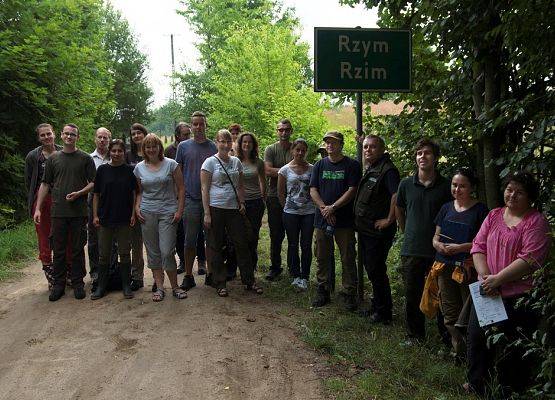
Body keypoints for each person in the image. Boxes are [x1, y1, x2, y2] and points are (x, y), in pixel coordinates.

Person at [465, 171, 550, 396]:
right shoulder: (493, 215)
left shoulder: (536, 222)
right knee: (477, 339)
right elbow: (478, 246)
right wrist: (485, 277)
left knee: (513, 349)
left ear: (530, 197)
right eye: (509, 189)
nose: (512, 195)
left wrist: (498, 279)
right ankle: (476, 385)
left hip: (518, 296)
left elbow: (530, 259)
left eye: (519, 192)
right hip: (487, 291)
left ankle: (508, 391)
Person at [395, 138, 452, 341]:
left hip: (440, 249)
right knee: (412, 294)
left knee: (442, 295)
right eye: (419, 153)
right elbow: (399, 208)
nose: (422, 157)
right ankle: (415, 336)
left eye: (427, 153)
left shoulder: (446, 187)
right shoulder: (406, 185)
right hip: (412, 248)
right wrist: (406, 231)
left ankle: (446, 336)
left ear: (435, 158)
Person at [33, 123, 96, 301]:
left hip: (78, 212)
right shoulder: (53, 159)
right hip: (58, 211)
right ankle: (58, 285)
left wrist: (80, 193)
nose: (69, 137)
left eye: (73, 134)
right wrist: (38, 208)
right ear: (61, 135)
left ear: (78, 137)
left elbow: (93, 183)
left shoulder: (85, 158)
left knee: (76, 249)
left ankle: (77, 283)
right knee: (58, 249)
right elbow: (45, 184)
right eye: (67, 134)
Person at [431, 168, 488, 357]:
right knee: (449, 310)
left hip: (468, 268)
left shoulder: (481, 210)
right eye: (454, 185)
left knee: (468, 312)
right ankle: (458, 351)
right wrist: (438, 245)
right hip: (444, 266)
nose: (457, 189)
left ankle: (473, 354)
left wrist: (461, 247)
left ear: (471, 188)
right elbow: (435, 237)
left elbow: (485, 242)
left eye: (462, 186)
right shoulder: (446, 208)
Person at [200, 129, 262, 297]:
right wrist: (207, 213)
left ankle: (249, 280)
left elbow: (240, 185)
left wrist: (241, 202)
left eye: (228, 141)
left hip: (234, 209)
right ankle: (220, 283)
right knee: (216, 245)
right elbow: (204, 189)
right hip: (215, 208)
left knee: (242, 244)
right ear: (216, 142)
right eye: (222, 141)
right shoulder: (209, 163)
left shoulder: (236, 162)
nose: (226, 144)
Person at [310, 131, 362, 310]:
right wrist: (324, 208)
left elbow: (352, 190)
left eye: (333, 142)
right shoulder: (319, 165)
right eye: (327, 142)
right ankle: (323, 289)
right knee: (321, 255)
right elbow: (313, 190)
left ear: (341, 144)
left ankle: (349, 292)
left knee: (347, 256)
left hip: (344, 220)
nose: (329, 145)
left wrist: (334, 208)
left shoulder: (352, 165)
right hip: (322, 219)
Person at [354, 135, 400, 324]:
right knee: (371, 268)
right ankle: (377, 306)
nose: (368, 150)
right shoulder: (373, 167)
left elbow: (396, 195)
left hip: (377, 232)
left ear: (382, 149)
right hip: (366, 230)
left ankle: (384, 313)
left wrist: (389, 219)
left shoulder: (388, 170)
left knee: (376, 270)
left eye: (373, 147)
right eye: (365, 147)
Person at [134, 134, 186, 301]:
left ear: (160, 147)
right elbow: (139, 191)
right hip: (147, 212)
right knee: (153, 252)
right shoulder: (139, 168)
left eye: (154, 146)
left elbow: (181, 189)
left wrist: (179, 210)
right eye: (148, 147)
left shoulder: (171, 164)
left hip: (168, 212)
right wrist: (136, 207)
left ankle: (175, 286)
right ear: (144, 149)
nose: (151, 149)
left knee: (167, 251)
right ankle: (159, 287)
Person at [91, 139, 137, 300]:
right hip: (105, 218)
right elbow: (96, 194)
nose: (116, 154)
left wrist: (133, 214)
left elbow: (134, 194)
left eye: (120, 151)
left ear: (124, 153)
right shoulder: (102, 170)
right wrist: (95, 215)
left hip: (124, 217)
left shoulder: (130, 170)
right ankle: (101, 286)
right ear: (109, 152)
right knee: (104, 254)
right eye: (114, 151)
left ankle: (126, 285)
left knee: (125, 252)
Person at [176, 111, 217, 290]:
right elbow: (178, 174)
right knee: (189, 240)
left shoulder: (214, 147)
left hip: (210, 200)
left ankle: (210, 273)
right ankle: (188, 275)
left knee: (210, 239)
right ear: (191, 127)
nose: (198, 127)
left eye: (201, 124)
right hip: (191, 200)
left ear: (206, 125)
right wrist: (180, 199)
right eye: (195, 124)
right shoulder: (183, 147)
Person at [25, 123, 69, 288]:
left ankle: (67, 273)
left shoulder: (63, 152)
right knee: (44, 237)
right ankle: (52, 276)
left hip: (62, 199)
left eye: (48, 134)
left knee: (66, 235)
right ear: (38, 138)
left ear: (54, 134)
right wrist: (35, 205)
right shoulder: (33, 156)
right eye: (42, 135)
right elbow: (30, 182)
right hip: (42, 201)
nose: (46, 137)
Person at [278, 138, 314, 291]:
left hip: (309, 212)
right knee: (292, 244)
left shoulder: (313, 169)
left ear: (306, 152)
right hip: (290, 212)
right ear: (292, 150)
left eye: (303, 150)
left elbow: (315, 189)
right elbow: (280, 193)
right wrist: (287, 207)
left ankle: (305, 276)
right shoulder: (284, 170)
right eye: (297, 149)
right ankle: (295, 275)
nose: (300, 153)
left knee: (306, 244)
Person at [264, 119, 293, 280]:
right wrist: (291, 170)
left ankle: (293, 268)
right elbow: (267, 171)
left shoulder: (296, 147)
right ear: (277, 131)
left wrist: (280, 172)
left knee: (293, 235)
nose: (283, 133)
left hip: (294, 197)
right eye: (280, 130)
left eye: (286, 130)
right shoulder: (270, 149)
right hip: (274, 197)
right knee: (276, 235)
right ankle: (275, 267)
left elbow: (301, 168)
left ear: (291, 131)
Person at [235, 132, 266, 273]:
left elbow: (262, 182)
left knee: (253, 237)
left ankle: (251, 268)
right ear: (240, 145)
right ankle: (238, 267)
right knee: (239, 236)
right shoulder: (234, 161)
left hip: (255, 203)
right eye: (244, 142)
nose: (247, 144)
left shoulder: (259, 162)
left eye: (250, 142)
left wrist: (262, 199)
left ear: (254, 145)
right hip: (238, 203)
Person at [87, 127, 112, 290]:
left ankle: (111, 269)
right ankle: (95, 271)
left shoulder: (116, 156)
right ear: (95, 139)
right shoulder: (88, 159)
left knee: (114, 237)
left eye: (105, 138)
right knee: (94, 238)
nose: (102, 140)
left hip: (113, 202)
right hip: (93, 202)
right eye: (99, 137)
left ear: (109, 140)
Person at [125, 123, 146, 291]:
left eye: (140, 133)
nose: (137, 136)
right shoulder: (127, 155)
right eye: (134, 134)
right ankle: (137, 276)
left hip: (153, 201)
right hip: (132, 203)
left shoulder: (153, 152)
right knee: (136, 243)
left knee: (156, 244)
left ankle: (158, 277)